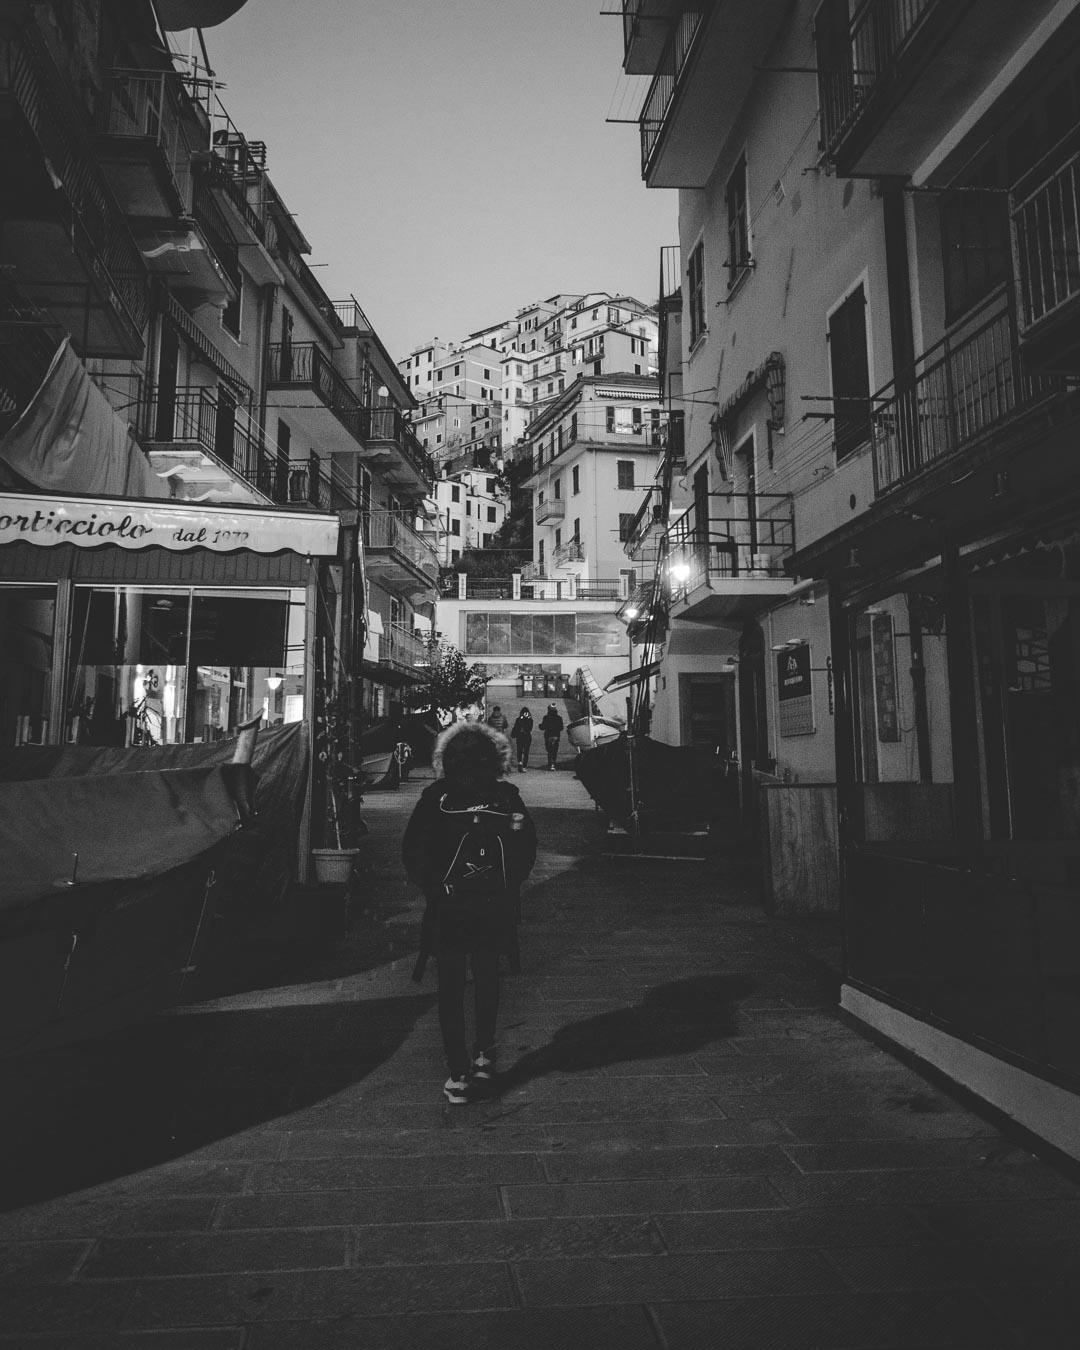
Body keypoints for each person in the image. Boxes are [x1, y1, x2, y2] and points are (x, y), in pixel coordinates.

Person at [402, 720, 537, 1104]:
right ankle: (483, 1053)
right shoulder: (506, 796)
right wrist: (507, 886)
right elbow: (527, 847)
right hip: (493, 906)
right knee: (488, 977)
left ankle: (458, 1070)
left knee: (450, 985)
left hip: (449, 908)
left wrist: (435, 886)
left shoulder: (436, 797)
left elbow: (413, 852)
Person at [539, 702, 564, 770]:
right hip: (556, 736)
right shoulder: (559, 718)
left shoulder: (546, 717)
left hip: (548, 736)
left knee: (549, 750)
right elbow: (561, 728)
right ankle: (553, 763)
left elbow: (543, 727)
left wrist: (540, 726)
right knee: (555, 750)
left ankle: (550, 763)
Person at [511, 705, 533, 771]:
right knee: (526, 752)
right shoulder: (530, 720)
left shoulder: (518, 719)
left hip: (519, 736)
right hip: (527, 737)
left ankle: (520, 762)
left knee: (519, 750)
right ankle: (524, 766)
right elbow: (530, 728)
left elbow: (515, 727)